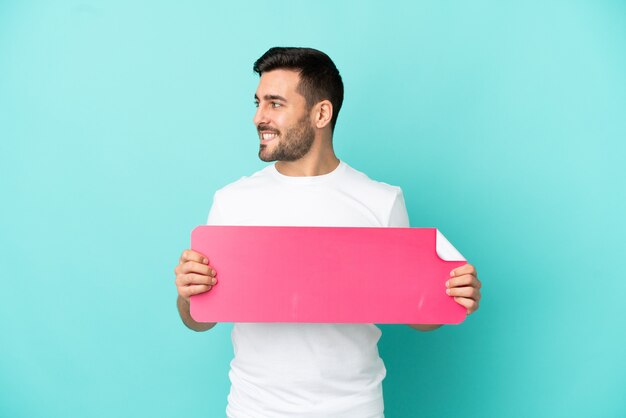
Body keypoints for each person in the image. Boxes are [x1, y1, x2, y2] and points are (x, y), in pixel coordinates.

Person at [174, 47, 482, 417]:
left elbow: (415, 312)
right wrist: (189, 292)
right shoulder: (232, 201)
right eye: (257, 103)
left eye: (275, 104)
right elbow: (198, 318)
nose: (258, 117)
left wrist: (453, 296)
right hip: (254, 408)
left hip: (353, 407)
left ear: (321, 113)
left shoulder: (380, 200)